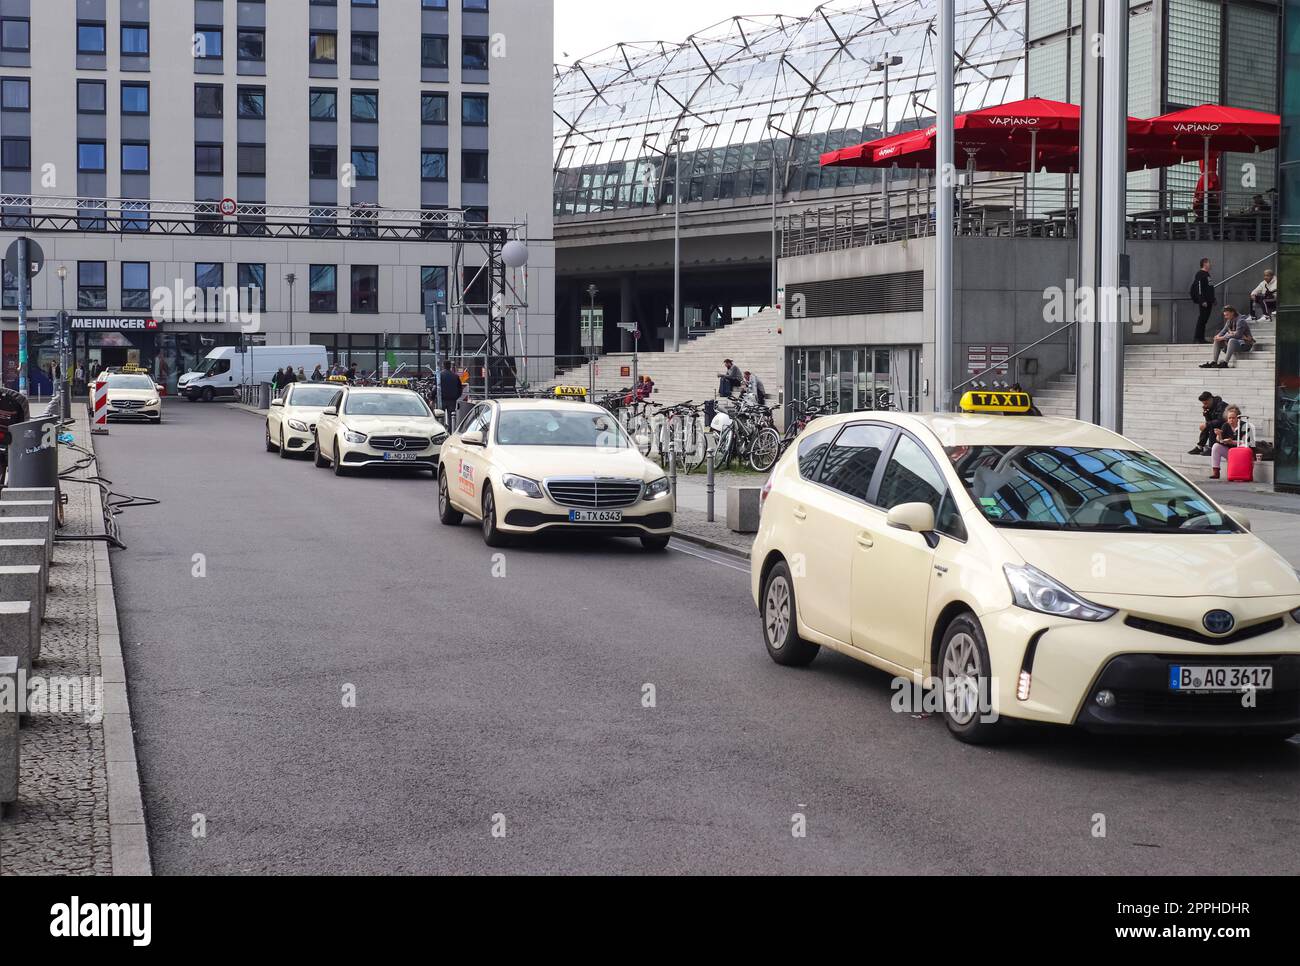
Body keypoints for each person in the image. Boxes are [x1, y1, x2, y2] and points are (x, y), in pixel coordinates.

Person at [1209, 405, 1254, 480]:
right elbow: (1220, 441)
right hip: (1230, 452)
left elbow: (1247, 442)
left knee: (1243, 445)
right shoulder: (1226, 425)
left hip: (1241, 453)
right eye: (1229, 418)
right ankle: (1216, 471)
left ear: (1238, 418)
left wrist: (1232, 442)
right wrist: (1219, 435)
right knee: (1216, 446)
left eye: (1233, 418)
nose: (1231, 420)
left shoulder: (1245, 426)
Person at [1189, 391, 1228, 455]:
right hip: (1218, 425)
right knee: (1208, 425)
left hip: (1226, 426)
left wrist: (1207, 424)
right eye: (1203, 403)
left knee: (1211, 426)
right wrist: (1206, 414)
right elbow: (1209, 421)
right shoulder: (1210, 407)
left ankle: (1211, 448)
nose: (1205, 405)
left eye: (1206, 403)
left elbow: (1221, 420)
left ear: (1210, 399)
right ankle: (1200, 447)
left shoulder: (1221, 405)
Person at [1190, 257, 1215, 343]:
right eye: (1209, 263)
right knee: (1202, 319)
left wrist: (1213, 299)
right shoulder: (1200, 274)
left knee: (1204, 320)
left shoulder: (1207, 274)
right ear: (1204, 263)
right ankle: (1198, 338)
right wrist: (1202, 300)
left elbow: (1209, 288)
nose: (1210, 264)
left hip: (1209, 301)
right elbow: (1199, 288)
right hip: (1204, 302)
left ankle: (1201, 338)